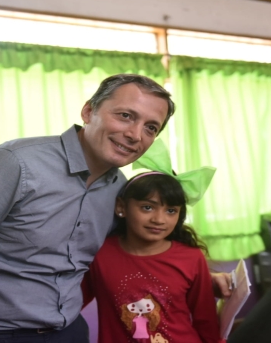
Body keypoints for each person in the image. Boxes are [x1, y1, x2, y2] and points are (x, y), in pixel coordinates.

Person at [0, 74, 231, 343]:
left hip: (68, 331)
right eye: (126, 116)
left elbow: (126, 249)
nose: (135, 134)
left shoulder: (117, 189)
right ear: (88, 111)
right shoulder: (14, 164)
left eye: (150, 127)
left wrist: (201, 278)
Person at [81, 140, 223, 343]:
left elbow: (206, 322)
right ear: (121, 207)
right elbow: (68, 305)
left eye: (171, 211)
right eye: (148, 207)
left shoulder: (191, 258)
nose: (159, 219)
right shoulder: (100, 253)